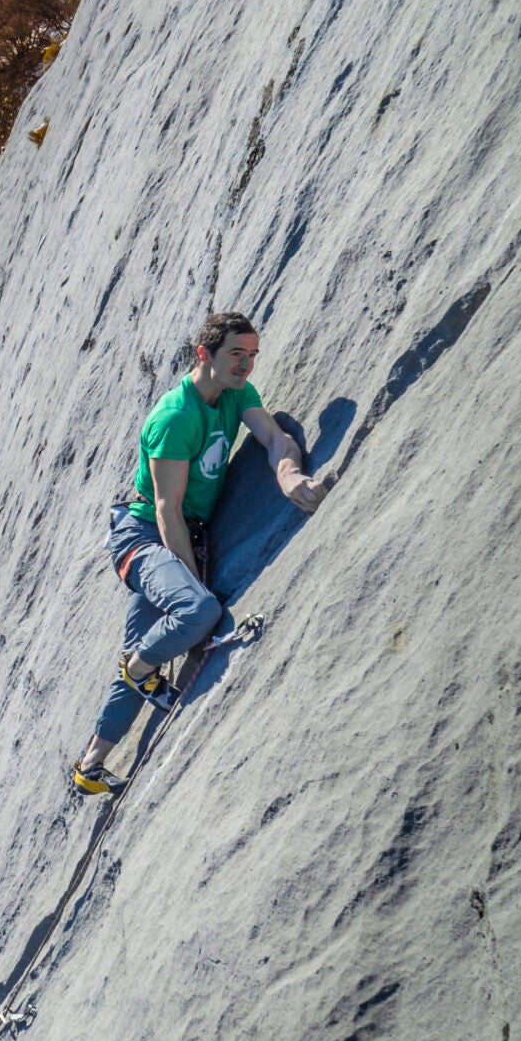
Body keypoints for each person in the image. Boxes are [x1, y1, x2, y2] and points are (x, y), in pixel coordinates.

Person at [70, 311, 331, 794]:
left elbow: (274, 438)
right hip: (144, 535)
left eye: (252, 355)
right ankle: (141, 671)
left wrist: (289, 475)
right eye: (236, 354)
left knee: (144, 649)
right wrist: (193, 583)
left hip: (176, 532)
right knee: (195, 610)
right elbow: (168, 510)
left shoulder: (236, 394)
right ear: (204, 354)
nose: (246, 365)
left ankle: (90, 765)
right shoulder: (176, 417)